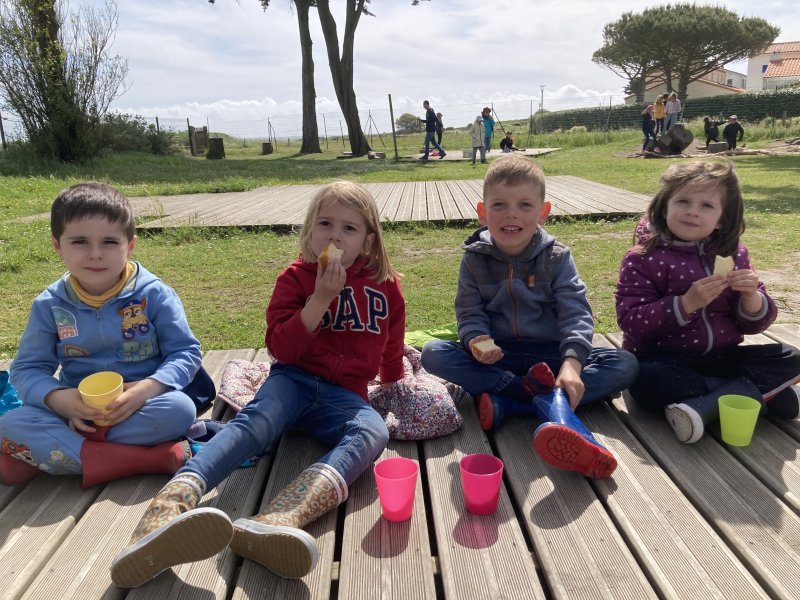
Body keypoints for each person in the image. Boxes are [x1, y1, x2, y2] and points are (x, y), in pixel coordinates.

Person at [110, 180, 405, 588]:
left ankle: (281, 518)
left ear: (368, 241)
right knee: (255, 422)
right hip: (294, 379)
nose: (335, 236)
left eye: (349, 228)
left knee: (373, 432)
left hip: (344, 397)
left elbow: (393, 337)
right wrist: (320, 299)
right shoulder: (296, 279)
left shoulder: (385, 286)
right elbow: (280, 348)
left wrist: (393, 379)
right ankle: (168, 509)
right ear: (310, 230)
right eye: (325, 224)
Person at [421, 155, 639, 479]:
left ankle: (512, 403)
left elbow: (576, 312)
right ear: (483, 212)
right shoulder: (474, 260)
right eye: (499, 205)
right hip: (500, 359)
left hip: (551, 357)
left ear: (543, 212)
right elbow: (469, 312)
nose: (511, 214)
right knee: (433, 353)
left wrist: (571, 365)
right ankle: (548, 402)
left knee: (625, 364)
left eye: (525, 205)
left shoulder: (557, 257)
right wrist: (477, 340)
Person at [0, 183, 215, 488]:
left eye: (110, 242)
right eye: (80, 241)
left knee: (180, 410)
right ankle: (151, 459)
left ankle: (67, 454)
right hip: (76, 412)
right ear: (57, 246)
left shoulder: (154, 294)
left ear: (130, 245)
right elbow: (26, 369)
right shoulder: (49, 305)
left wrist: (147, 389)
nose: (95, 254)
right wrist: (59, 399)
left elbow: (186, 352)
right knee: (10, 423)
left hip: (139, 407)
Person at [616, 162, 800, 444]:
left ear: (723, 218)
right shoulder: (642, 258)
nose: (693, 211)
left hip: (722, 357)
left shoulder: (734, 254)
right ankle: (755, 394)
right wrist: (685, 304)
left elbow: (752, 325)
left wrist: (751, 297)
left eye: (706, 205)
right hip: (663, 359)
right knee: (649, 382)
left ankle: (709, 405)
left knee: (791, 356)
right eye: (683, 201)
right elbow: (631, 321)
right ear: (664, 207)